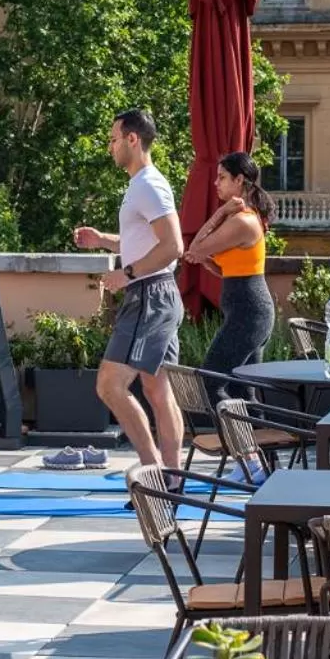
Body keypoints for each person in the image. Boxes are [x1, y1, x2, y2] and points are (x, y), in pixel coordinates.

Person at [73, 109, 188, 468]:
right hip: (159, 293)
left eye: (113, 139)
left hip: (150, 296)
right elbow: (144, 242)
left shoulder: (148, 185)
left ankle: (152, 470)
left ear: (132, 139)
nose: (110, 146)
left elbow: (173, 246)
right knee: (157, 388)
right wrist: (102, 240)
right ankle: (171, 478)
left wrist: (128, 274)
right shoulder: (143, 184)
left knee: (109, 385)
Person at [184, 151, 276, 400]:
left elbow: (196, 247)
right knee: (242, 391)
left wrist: (221, 212)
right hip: (251, 312)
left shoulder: (242, 221)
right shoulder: (244, 218)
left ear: (239, 180)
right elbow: (230, 271)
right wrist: (207, 262)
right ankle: (252, 427)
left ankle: (231, 427)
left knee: (210, 384)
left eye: (222, 177)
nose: (216, 183)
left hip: (249, 314)